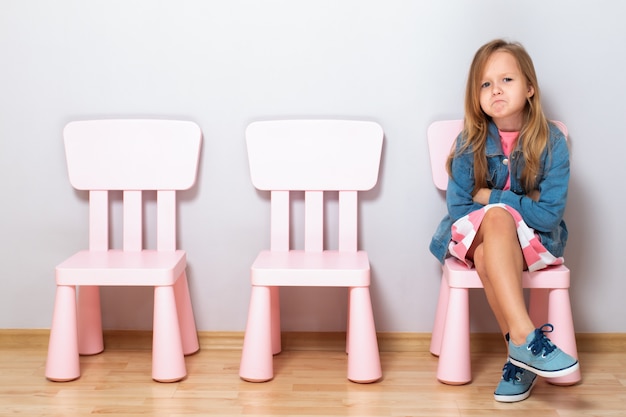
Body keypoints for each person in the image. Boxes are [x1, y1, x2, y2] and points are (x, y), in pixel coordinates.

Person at [429, 39, 579, 403]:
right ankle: (529, 338)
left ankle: (519, 357)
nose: (495, 89)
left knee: (491, 235)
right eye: (485, 83)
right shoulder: (469, 143)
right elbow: (460, 211)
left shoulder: (553, 143)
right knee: (494, 222)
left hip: (536, 242)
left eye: (507, 79)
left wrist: (491, 197)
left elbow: (548, 215)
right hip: (476, 236)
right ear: (476, 95)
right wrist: (514, 205)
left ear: (529, 88)